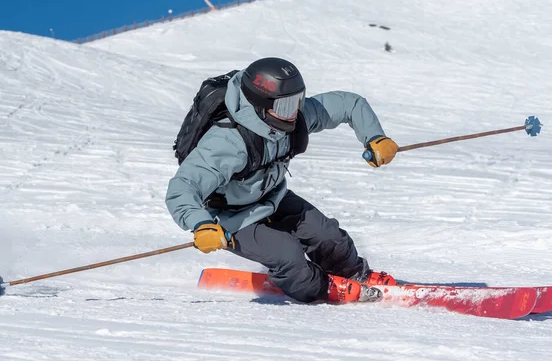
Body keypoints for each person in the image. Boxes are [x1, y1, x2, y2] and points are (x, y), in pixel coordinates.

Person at [166, 57, 399, 303]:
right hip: (230, 217)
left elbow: (349, 104)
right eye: (286, 106)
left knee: (329, 236)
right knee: (288, 256)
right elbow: (182, 188)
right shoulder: (227, 142)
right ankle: (319, 288)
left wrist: (374, 137)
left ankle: (355, 274)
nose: (295, 112)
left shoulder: (292, 117)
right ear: (261, 105)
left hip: (272, 197)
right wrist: (202, 224)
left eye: (297, 101)